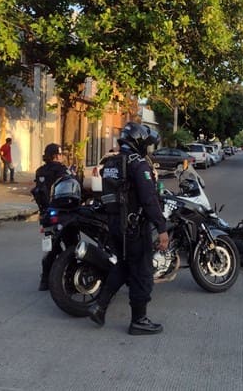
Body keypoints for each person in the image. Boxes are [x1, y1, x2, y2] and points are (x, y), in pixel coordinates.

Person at [88, 122, 169, 335]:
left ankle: (99, 306)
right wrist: (161, 227)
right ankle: (139, 321)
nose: (148, 149)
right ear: (139, 142)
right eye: (147, 145)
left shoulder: (111, 163)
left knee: (123, 267)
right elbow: (149, 199)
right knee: (142, 273)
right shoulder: (138, 164)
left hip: (115, 226)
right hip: (133, 228)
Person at [32, 143, 70, 291]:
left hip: (46, 215)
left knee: (50, 248)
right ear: (56, 155)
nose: (61, 157)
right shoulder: (61, 170)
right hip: (61, 213)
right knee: (71, 244)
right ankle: (68, 278)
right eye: (60, 154)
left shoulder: (40, 171)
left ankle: (45, 279)